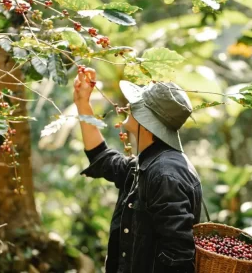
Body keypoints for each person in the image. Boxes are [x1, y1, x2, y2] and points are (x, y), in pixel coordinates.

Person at [73, 67, 202, 273]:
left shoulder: (165, 174)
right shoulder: (146, 165)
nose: (129, 106)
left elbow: (178, 259)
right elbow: (103, 159)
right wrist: (82, 102)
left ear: (148, 121)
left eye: (136, 105)